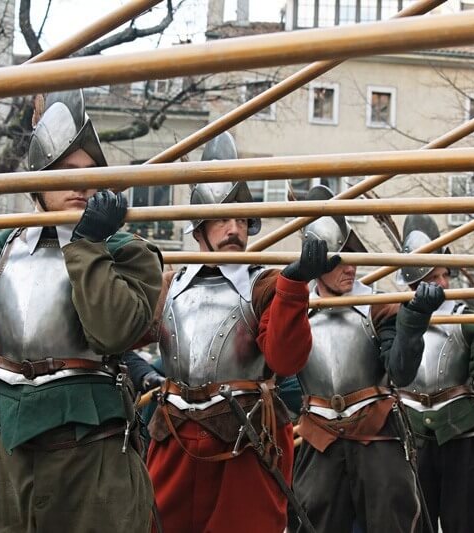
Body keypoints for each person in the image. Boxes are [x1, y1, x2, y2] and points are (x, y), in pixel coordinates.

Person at [0, 90, 162, 532]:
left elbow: (113, 332)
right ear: (39, 179)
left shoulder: (131, 252)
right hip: (4, 452)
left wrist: (86, 245)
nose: (80, 184)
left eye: (89, 173)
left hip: (92, 453)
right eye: (65, 171)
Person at [144, 132, 337, 533]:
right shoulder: (169, 283)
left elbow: (287, 359)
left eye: (240, 219)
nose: (234, 228)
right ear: (199, 228)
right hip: (175, 436)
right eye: (221, 217)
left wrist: (294, 285)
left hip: (245, 440)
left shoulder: (265, 285)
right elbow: (119, 337)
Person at [380, 214, 474, 533]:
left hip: (461, 434)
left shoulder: (467, 319)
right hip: (411, 436)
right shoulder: (391, 318)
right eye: (433, 276)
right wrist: (415, 318)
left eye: (445, 275)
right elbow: (399, 373)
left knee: (469, 522)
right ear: (414, 281)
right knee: (412, 522)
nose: (444, 284)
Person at [291, 186, 422, 532]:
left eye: (352, 255)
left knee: (391, 520)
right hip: (319, 437)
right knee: (311, 520)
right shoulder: (296, 309)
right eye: (338, 259)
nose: (350, 266)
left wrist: (413, 323)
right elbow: (279, 369)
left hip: (374, 432)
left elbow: (401, 371)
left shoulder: (378, 305)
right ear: (318, 266)